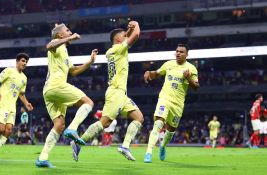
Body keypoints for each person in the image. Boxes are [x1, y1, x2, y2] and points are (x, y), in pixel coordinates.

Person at [72, 21, 144, 162]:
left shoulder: (114, 49)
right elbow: (136, 34)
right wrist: (135, 24)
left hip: (121, 93)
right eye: (124, 36)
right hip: (115, 91)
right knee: (104, 122)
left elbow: (128, 34)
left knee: (139, 118)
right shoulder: (117, 49)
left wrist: (127, 31)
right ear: (118, 39)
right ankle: (78, 142)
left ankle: (125, 147)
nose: (126, 36)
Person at [35, 23, 97, 168]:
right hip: (56, 86)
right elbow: (49, 46)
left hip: (49, 91)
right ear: (60, 35)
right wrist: (72, 37)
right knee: (88, 103)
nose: (70, 33)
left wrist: (90, 62)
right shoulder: (56, 46)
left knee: (59, 125)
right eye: (67, 31)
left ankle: (42, 158)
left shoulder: (64, 52)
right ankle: (73, 128)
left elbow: (73, 71)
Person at [143, 44, 200, 163]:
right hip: (164, 98)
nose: (178, 53)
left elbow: (196, 87)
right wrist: (149, 73)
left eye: (181, 52)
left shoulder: (191, 69)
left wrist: (188, 78)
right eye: (177, 51)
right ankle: (148, 153)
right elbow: (157, 73)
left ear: (187, 55)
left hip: (178, 104)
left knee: (170, 130)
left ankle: (163, 146)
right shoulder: (168, 64)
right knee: (158, 124)